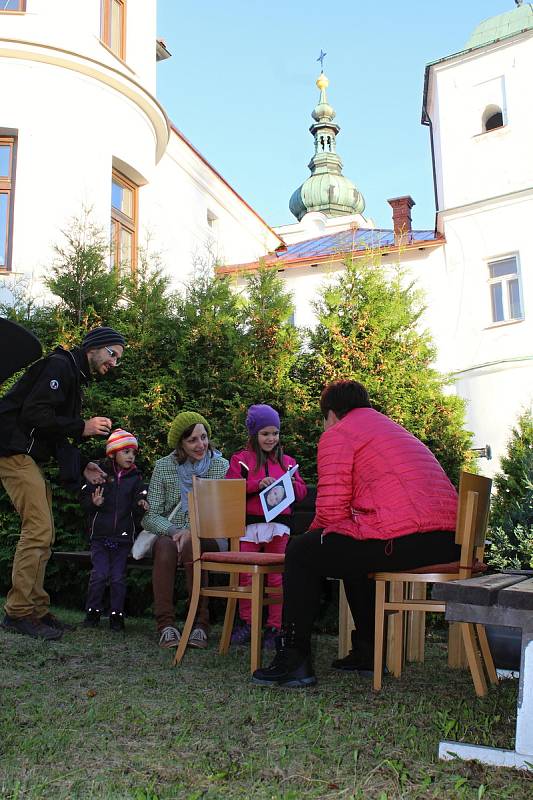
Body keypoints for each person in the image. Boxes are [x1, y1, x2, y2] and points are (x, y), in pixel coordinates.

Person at [252, 380, 459, 688]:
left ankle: (293, 659)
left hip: (408, 538)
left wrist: (311, 537)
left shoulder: (340, 433)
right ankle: (367, 651)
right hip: (449, 541)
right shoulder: (392, 430)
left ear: (331, 414)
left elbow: (331, 509)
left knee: (300, 552)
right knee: (350, 550)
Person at [0, 326, 125, 640]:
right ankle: (17, 613)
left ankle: (36, 609)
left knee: (45, 530)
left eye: (118, 359)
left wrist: (83, 466)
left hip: (24, 454)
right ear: (94, 347)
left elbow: (55, 436)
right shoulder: (60, 366)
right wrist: (82, 426)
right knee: (38, 529)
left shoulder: (73, 376)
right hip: (10, 450)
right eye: (112, 354)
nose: (113, 363)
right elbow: (34, 414)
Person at [142, 411, 229, 650]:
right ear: (180, 443)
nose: (200, 444)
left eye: (203, 437)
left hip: (209, 535)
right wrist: (172, 530)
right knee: (164, 546)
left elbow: (221, 513)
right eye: (192, 440)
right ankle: (166, 625)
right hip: (172, 535)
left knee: (193, 544)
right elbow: (151, 515)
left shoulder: (221, 466)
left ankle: (200, 624)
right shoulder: (163, 467)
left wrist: (191, 531)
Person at [225, 404, 307, 647]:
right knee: (246, 576)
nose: (271, 438)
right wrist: (257, 484)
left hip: (279, 527)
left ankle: (275, 627)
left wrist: (292, 484)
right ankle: (248, 624)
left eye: (275, 433)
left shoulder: (289, 462)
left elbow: (301, 493)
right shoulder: (241, 459)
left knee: (276, 579)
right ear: (254, 434)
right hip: (249, 526)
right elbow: (232, 488)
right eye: (265, 434)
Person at [80, 429, 148, 632]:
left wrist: (141, 503)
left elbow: (139, 499)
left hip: (123, 538)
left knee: (118, 577)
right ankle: (92, 612)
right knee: (99, 574)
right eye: (126, 451)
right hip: (100, 536)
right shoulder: (99, 474)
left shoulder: (136, 478)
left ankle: (116, 616)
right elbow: (85, 501)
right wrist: (94, 503)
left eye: (133, 453)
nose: (130, 456)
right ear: (113, 453)